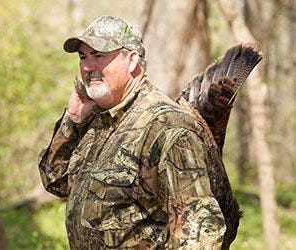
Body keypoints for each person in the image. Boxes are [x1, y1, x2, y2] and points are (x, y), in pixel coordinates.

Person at [38, 15, 239, 249]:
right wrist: (73, 121)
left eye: (99, 56)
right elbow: (55, 182)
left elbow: (200, 233)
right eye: (83, 56)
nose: (87, 66)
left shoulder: (167, 126)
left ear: (132, 60)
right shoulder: (96, 120)